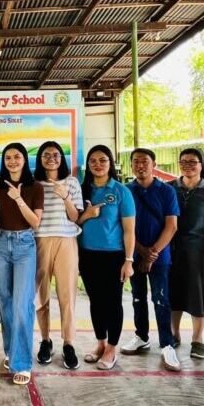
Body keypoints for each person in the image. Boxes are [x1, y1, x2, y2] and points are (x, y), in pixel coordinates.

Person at [121, 148, 181, 372]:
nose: (140, 165)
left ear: (153, 164)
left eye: (145, 161)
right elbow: (123, 225)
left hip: (161, 255)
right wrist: (141, 252)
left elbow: (172, 225)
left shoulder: (166, 191)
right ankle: (141, 336)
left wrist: (153, 252)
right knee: (137, 298)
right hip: (134, 253)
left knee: (161, 299)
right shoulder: (127, 191)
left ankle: (167, 344)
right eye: (135, 161)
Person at [0, 142, 44, 385]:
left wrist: (18, 198)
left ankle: (22, 363)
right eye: (8, 157)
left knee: (23, 303)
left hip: (24, 245)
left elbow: (35, 222)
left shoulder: (35, 187)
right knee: (5, 301)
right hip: (0, 244)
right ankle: (12, 352)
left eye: (17, 156)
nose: (12, 161)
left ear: (24, 160)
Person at [77, 145, 135, 370]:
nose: (97, 164)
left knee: (112, 303)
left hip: (114, 256)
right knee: (95, 301)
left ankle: (112, 347)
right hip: (88, 255)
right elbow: (75, 222)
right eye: (93, 161)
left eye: (102, 160)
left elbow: (129, 230)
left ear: (110, 163)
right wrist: (87, 214)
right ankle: (100, 343)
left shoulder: (121, 191)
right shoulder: (84, 190)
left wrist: (128, 261)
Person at [168, 148, 204, 361]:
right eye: (183, 161)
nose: (188, 165)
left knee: (198, 298)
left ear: (202, 165)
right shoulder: (169, 189)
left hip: (201, 253)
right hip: (172, 251)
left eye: (193, 162)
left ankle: (198, 339)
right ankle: (173, 335)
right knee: (173, 296)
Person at [32, 141, 85, 369]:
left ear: (61, 159)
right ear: (40, 159)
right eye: (46, 154)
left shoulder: (71, 182)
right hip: (39, 241)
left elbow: (75, 217)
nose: (51, 158)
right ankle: (45, 340)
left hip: (66, 242)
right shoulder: (34, 184)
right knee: (40, 296)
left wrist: (64, 196)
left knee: (67, 295)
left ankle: (68, 343)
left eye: (56, 154)